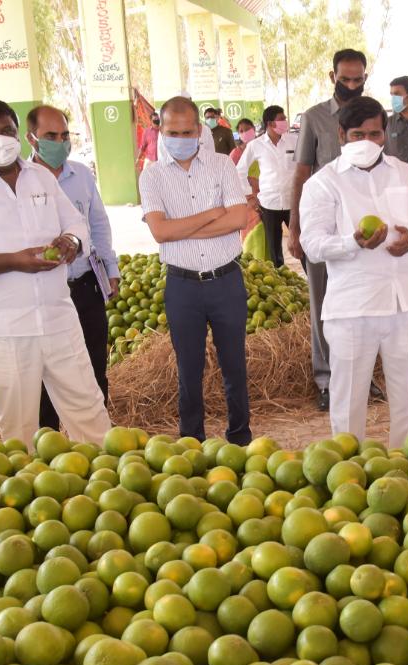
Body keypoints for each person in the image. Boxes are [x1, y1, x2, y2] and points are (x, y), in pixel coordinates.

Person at [0, 98, 109, 447]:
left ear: (19, 135)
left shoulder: (40, 176)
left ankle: (107, 484)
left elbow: (75, 222)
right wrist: (14, 260)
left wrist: (71, 241)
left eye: (6, 131)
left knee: (89, 410)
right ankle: (29, 494)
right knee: (20, 425)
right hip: (6, 329)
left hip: (59, 317)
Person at [300, 96, 408, 447]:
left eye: (375, 134)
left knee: (407, 399)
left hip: (403, 304)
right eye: (357, 134)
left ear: (385, 133)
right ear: (341, 134)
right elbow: (313, 244)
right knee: (348, 403)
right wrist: (353, 243)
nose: (367, 142)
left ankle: (403, 470)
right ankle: (346, 475)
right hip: (352, 308)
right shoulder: (323, 183)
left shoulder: (405, 173)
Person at [140, 96, 251, 444]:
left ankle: (240, 438)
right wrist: (212, 214)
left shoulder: (221, 166)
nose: (181, 138)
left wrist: (182, 226)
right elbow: (160, 231)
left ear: (199, 129)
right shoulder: (152, 176)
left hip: (226, 280)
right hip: (183, 287)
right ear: (161, 129)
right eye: (173, 131)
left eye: (188, 131)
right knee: (189, 370)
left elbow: (240, 217)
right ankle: (192, 441)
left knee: (234, 366)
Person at [289, 49, 374, 411]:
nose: (352, 85)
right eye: (346, 79)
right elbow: (302, 172)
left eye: (358, 79)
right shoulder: (314, 117)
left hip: (364, 235)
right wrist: (294, 228)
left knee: (363, 306)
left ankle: (364, 378)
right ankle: (326, 380)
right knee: (323, 306)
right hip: (323, 231)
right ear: (332, 77)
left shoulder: (373, 115)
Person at [25, 106, 118, 435]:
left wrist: (110, 269)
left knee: (94, 367)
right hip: (43, 293)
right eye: (51, 136)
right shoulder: (21, 181)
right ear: (31, 138)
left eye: (65, 135)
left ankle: (99, 441)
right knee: (44, 373)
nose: (60, 142)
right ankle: (47, 441)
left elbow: (98, 224)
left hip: (85, 284)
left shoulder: (81, 175)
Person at [237, 106, 297, 268]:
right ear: (270, 123)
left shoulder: (294, 140)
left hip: (294, 202)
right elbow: (240, 170)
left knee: (302, 244)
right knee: (274, 249)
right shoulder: (256, 145)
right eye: (281, 119)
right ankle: (281, 281)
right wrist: (250, 196)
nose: (285, 121)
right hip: (269, 204)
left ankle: (311, 280)